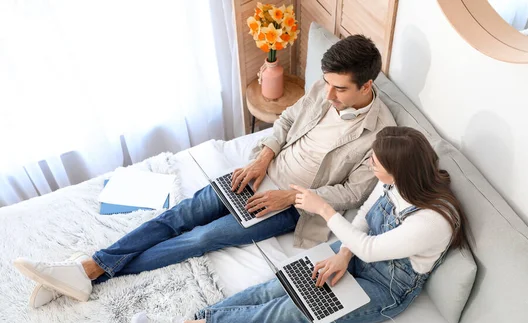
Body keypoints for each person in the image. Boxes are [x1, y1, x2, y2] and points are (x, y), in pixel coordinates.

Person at [14, 34, 396, 307]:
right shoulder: (324, 87)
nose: (328, 96)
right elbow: (285, 122)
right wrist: (262, 159)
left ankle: (86, 273)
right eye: (327, 85)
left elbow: (351, 193)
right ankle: (87, 269)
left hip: (291, 206)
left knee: (201, 239)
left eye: (340, 90)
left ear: (366, 86)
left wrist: (289, 197)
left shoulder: (380, 136)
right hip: (261, 172)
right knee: (180, 215)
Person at [127, 126, 469, 323]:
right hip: (354, 253)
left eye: (374, 164)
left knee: (287, 311)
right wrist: (342, 255)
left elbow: (369, 248)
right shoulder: (398, 183)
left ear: (400, 170)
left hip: (384, 288)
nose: (369, 165)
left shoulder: (431, 221)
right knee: (274, 287)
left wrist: (323, 209)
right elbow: (365, 214)